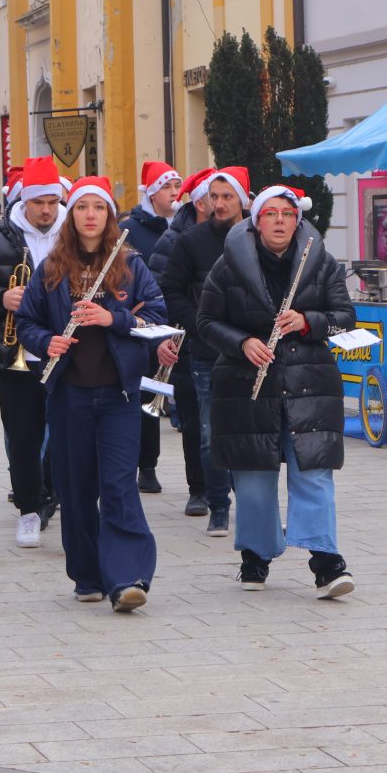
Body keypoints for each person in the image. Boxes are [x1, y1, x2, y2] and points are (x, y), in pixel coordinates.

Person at [197, 185, 356, 599]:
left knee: (314, 474)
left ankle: (326, 561)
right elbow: (207, 321)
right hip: (247, 388)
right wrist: (242, 342)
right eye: (271, 214)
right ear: (256, 220)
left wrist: (308, 322)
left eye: (287, 214)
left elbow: (345, 318)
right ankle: (255, 554)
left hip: (310, 386)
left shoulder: (321, 264)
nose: (280, 221)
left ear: (298, 219)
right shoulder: (228, 266)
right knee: (252, 478)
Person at [15, 177, 166, 612]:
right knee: (75, 488)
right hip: (69, 394)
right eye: (82, 207)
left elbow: (155, 316)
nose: (91, 215)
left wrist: (112, 318)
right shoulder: (51, 268)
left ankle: (128, 578)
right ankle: (87, 573)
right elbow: (28, 322)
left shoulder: (132, 264)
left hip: (118, 395)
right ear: (71, 215)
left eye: (99, 208)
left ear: (109, 215)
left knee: (119, 485)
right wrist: (47, 343)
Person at [0, 156, 67, 548]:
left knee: (65, 433)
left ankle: (51, 495)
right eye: (39, 202)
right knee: (23, 435)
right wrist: (0, 296)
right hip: (16, 353)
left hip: (65, 352)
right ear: (24, 202)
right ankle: (27, 509)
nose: (45, 210)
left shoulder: (72, 237)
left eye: (52, 202)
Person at [158, 167, 250, 538]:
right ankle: (218, 505)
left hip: (253, 351)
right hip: (206, 352)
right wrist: (197, 323)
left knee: (250, 433)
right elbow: (171, 288)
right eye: (215, 196)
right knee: (211, 433)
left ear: (243, 200)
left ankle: (252, 504)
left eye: (228, 196)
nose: (220, 203)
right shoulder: (191, 240)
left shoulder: (258, 237)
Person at [150, 168, 215, 517]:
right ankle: (199, 489)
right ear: (201, 202)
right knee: (193, 420)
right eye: (214, 197)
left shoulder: (239, 233)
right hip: (188, 341)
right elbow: (160, 291)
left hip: (229, 342)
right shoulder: (174, 240)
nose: (220, 203)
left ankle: (225, 482)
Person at [119, 162, 180, 495]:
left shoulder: (181, 225)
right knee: (139, 392)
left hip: (173, 319)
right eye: (167, 186)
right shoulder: (130, 228)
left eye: (177, 185)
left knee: (160, 391)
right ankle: (138, 464)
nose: (174, 191)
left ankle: (150, 464)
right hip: (140, 321)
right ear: (152, 192)